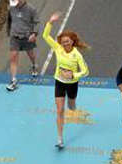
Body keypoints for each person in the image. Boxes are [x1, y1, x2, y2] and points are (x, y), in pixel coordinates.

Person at [43, 12, 89, 149]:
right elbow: (45, 36)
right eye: (62, 41)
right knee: (60, 110)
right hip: (59, 82)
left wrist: (73, 76)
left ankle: (73, 105)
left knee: (71, 106)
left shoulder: (77, 55)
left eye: (67, 41)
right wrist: (50, 22)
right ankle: (60, 139)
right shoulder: (58, 49)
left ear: (72, 41)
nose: (64, 43)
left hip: (72, 84)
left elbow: (86, 71)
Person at [6, 0, 40, 91]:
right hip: (15, 36)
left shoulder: (31, 9)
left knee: (30, 54)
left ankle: (34, 65)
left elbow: (36, 23)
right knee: (13, 56)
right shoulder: (10, 7)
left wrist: (34, 34)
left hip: (27, 37)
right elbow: (9, 20)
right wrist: (9, 32)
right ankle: (13, 80)